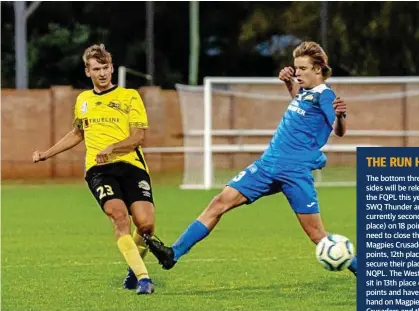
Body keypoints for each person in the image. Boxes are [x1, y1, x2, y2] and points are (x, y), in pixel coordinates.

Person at [144, 41, 357, 277]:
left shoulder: (326, 96)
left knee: (317, 235)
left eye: (303, 69)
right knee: (219, 202)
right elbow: (300, 102)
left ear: (318, 69)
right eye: (296, 68)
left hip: (294, 171)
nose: (297, 73)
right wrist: (289, 83)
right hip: (267, 165)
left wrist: (340, 116)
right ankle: (173, 254)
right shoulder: (305, 91)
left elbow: (338, 130)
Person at [32, 44, 156, 294]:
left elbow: (137, 138)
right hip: (99, 170)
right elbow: (78, 133)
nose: (102, 73)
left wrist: (113, 147)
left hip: (131, 165)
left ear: (111, 68)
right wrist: (47, 154)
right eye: (96, 69)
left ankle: (134, 267)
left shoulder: (130, 96)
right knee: (119, 217)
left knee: (146, 226)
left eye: (105, 68)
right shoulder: (83, 101)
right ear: (88, 72)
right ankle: (144, 279)